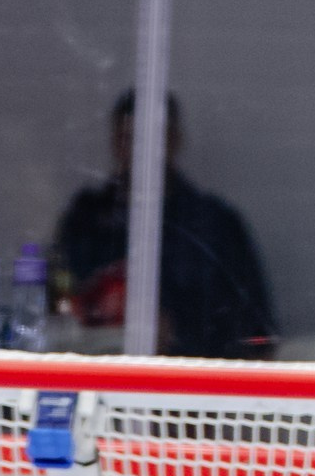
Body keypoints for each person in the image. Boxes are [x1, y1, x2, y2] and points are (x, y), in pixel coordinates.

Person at [51, 89, 275, 360]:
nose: (139, 151)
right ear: (114, 142)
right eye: (128, 139)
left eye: (151, 138)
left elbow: (255, 335)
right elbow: (55, 303)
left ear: (174, 140)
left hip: (189, 388)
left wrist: (179, 333)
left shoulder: (214, 223)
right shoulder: (87, 217)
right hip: (96, 380)